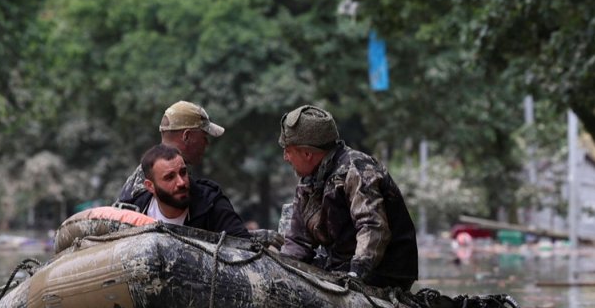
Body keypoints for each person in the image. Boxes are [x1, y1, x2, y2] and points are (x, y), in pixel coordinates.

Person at [277, 104, 418, 289]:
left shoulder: (357, 169)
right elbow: (298, 240)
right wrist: (282, 269)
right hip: (338, 266)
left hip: (382, 272)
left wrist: (355, 274)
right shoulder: (308, 181)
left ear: (307, 153)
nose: (285, 157)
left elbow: (372, 226)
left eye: (288, 150)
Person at [115, 100, 246, 227]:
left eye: (183, 173)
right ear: (186, 136)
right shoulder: (141, 193)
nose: (206, 143)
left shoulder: (143, 175)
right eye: (204, 137)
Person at [117, 144, 250, 235]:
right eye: (170, 177)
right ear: (150, 186)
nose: (181, 182)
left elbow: (244, 248)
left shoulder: (211, 204)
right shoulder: (135, 210)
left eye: (183, 172)